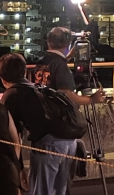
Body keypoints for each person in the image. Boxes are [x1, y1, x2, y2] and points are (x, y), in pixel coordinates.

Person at [34, 27, 106, 195]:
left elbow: (55, 69)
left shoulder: (43, 61)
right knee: (59, 186)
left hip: (43, 128)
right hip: (60, 131)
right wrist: (91, 100)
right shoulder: (60, 66)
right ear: (66, 43)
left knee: (42, 187)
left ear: (48, 41)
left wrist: (71, 54)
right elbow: (66, 94)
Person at [0, 53, 75, 195]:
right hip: (69, 142)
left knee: (41, 191)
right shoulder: (36, 87)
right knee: (59, 191)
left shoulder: (11, 95)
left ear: (2, 79)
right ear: (24, 71)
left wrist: (19, 168)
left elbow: (14, 136)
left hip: (49, 146)